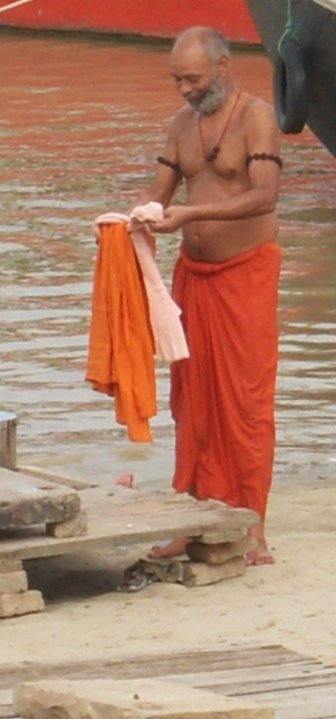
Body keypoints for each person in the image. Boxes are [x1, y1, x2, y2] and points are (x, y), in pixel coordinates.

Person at [135, 27, 282, 566]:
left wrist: (193, 215)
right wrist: (134, 218)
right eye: (177, 80)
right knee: (192, 404)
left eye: (192, 79)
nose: (184, 90)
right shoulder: (180, 126)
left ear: (223, 67)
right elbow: (159, 194)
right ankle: (191, 519)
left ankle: (254, 528)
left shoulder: (256, 116)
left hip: (246, 277)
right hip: (192, 279)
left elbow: (265, 197)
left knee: (245, 403)